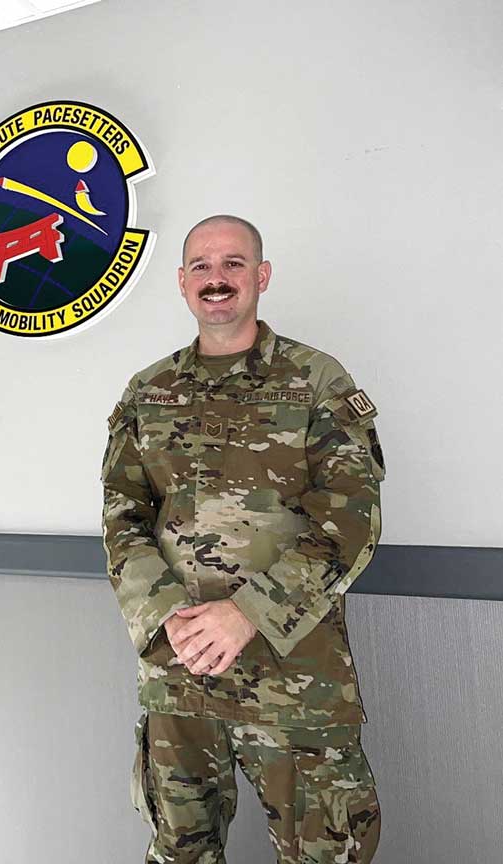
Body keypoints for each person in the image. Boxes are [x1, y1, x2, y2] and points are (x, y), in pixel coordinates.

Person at [101, 215, 386, 863]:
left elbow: (351, 517)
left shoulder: (316, 381)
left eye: (233, 264)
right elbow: (122, 514)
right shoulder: (149, 393)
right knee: (181, 854)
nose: (217, 278)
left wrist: (246, 614)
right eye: (201, 266)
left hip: (294, 683)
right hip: (179, 682)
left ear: (261, 276)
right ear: (181, 283)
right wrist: (169, 616)